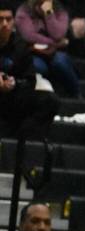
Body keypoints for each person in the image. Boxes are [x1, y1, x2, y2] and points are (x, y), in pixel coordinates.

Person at [0, 0, 58, 140]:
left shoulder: (20, 45)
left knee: (49, 100)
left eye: (8, 19)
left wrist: (14, 83)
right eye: (0, 20)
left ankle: (21, 137)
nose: (5, 24)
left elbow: (30, 81)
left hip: (10, 97)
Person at [15, 0, 78, 96]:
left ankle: (76, 93)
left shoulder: (59, 10)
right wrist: (56, 43)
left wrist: (49, 13)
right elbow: (29, 36)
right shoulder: (24, 10)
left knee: (60, 62)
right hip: (33, 52)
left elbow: (58, 34)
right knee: (39, 67)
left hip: (56, 52)